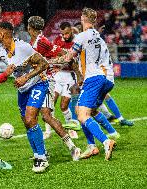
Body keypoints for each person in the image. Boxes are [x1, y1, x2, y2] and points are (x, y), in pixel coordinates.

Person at [0, 22, 50, 172]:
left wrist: (26, 77)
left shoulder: (23, 47)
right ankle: (38, 152)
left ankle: (42, 158)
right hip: (22, 90)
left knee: (30, 119)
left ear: (2, 34)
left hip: (38, 84)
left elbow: (44, 64)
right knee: (27, 123)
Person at [51, 8, 116, 161]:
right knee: (87, 110)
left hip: (93, 79)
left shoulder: (81, 36)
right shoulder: (98, 36)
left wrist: (51, 62)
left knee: (81, 115)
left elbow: (68, 57)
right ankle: (92, 146)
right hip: (106, 78)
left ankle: (106, 141)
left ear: (82, 18)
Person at [27, 16, 80, 161]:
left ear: (29, 28)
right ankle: (40, 152)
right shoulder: (38, 41)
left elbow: (64, 54)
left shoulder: (41, 42)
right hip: (37, 81)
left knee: (46, 116)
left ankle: (73, 147)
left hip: (45, 81)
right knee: (32, 117)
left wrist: (76, 72)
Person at [53, 22, 83, 132]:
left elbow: (72, 61)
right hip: (58, 75)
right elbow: (56, 56)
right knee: (51, 102)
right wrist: (58, 65)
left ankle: (72, 128)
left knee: (63, 106)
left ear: (71, 30)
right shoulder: (57, 40)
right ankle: (48, 130)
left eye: (67, 33)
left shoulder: (77, 41)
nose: (65, 36)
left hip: (71, 76)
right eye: (63, 34)